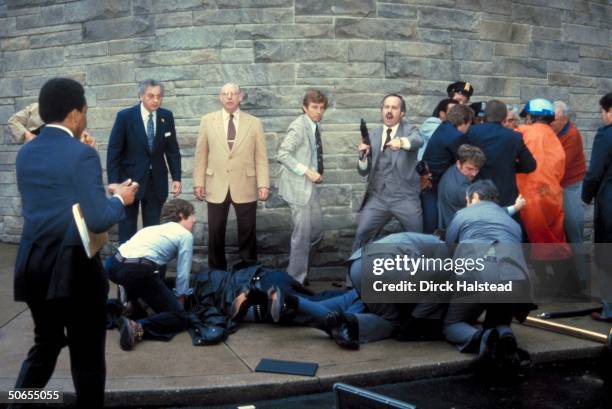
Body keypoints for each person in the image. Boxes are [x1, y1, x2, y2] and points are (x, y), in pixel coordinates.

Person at [13, 78, 137, 408]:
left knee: (46, 346)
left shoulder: (26, 153)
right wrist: (121, 199)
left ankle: (16, 403)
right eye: (84, 110)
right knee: (87, 360)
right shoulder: (81, 154)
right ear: (73, 115)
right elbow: (97, 219)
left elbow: (58, 200)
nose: (85, 115)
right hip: (74, 272)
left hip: (34, 268)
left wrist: (100, 190)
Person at [443, 181, 535, 369]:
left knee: (453, 324)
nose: (467, 204)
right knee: (498, 323)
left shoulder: (463, 214)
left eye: (468, 201)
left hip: (476, 272)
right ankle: (503, 333)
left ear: (475, 197)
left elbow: (448, 250)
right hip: (515, 279)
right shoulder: (511, 223)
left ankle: (481, 338)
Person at [193, 83, 270, 270]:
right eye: (225, 94)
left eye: (233, 94)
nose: (229, 97)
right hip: (215, 184)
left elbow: (261, 156)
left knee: (247, 232)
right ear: (220, 97)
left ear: (240, 97)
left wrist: (263, 184)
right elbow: (201, 154)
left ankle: (248, 272)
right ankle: (217, 273)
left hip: (245, 184)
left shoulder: (254, 123)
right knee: (215, 232)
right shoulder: (207, 121)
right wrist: (198, 182)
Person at [105, 199, 196, 350]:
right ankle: (137, 327)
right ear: (181, 215)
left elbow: (126, 260)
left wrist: (126, 298)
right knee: (178, 316)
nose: (194, 219)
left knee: (138, 306)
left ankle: (124, 309)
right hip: (136, 270)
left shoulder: (151, 230)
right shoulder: (185, 235)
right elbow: (183, 272)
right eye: (192, 215)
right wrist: (180, 300)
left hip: (113, 265)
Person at [107, 79, 182, 243]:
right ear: (141, 96)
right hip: (129, 182)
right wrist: (113, 182)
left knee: (153, 232)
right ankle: (126, 266)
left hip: (156, 183)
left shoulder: (166, 117)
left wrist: (176, 177)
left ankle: (151, 267)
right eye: (151, 96)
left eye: (159, 96)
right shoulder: (125, 117)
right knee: (127, 230)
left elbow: (172, 150)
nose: (156, 100)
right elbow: (114, 150)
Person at [352, 93, 423, 254]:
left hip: (405, 198)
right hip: (378, 197)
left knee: (418, 238)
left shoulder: (410, 130)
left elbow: (418, 140)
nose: (389, 111)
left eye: (394, 107)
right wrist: (362, 157)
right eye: (386, 107)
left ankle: (421, 276)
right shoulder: (373, 134)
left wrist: (401, 142)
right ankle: (354, 277)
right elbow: (363, 171)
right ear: (382, 110)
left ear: (402, 113)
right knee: (362, 234)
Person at [276, 90, 328, 284]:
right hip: (297, 187)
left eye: (322, 108)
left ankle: (299, 269)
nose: (318, 111)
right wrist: (307, 171)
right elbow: (282, 154)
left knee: (317, 233)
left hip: (309, 188)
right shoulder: (298, 127)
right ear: (305, 108)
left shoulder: (314, 125)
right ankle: (295, 280)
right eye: (314, 107)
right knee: (302, 236)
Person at [516, 99, 571, 263]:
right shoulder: (554, 138)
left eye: (526, 116)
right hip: (553, 195)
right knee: (555, 237)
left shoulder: (524, 132)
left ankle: (543, 280)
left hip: (531, 195)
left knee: (537, 241)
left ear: (531, 117)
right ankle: (564, 278)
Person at [455, 99, 536, 208]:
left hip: (477, 192)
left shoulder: (472, 132)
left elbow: (460, 157)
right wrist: (509, 165)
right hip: (506, 195)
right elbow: (530, 165)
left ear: (485, 114)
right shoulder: (514, 137)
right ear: (504, 117)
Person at [550, 100, 588, 291]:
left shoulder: (571, 135)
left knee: (574, 231)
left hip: (570, 187)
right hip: (556, 187)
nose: (551, 122)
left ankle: (582, 279)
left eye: (554, 119)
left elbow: (560, 166)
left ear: (564, 118)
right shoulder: (553, 131)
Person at [582, 92, 612, 323]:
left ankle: (609, 309)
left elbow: (595, 172)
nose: (602, 117)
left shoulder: (606, 135)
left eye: (603, 112)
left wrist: (586, 195)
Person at [421, 104, 474, 233]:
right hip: (434, 182)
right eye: (470, 124)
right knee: (433, 222)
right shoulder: (457, 137)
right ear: (464, 122)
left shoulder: (443, 127)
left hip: (426, 178)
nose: (470, 128)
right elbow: (468, 160)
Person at [437, 144, 486, 229]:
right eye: (469, 169)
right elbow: (488, 210)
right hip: (460, 231)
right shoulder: (462, 190)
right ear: (459, 163)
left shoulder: (453, 170)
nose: (474, 174)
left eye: (477, 169)